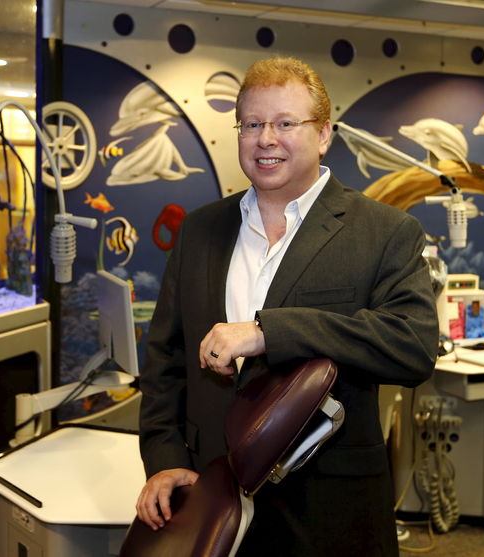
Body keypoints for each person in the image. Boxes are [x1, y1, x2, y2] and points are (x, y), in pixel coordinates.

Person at [135, 56, 439, 556]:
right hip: (211, 499)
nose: (265, 139)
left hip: (328, 508)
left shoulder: (384, 232)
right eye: (251, 124)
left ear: (323, 135)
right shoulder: (199, 231)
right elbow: (165, 363)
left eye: (284, 123)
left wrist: (268, 332)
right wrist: (164, 459)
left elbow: (412, 346)